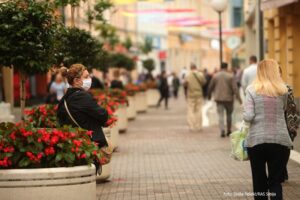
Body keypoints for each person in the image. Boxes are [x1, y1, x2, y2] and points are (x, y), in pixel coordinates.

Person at [243, 59, 293, 200]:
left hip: (257, 142)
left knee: (259, 183)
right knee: (275, 182)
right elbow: (283, 110)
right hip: (280, 141)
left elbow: (249, 116)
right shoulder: (283, 90)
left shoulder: (251, 90)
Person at [57, 64, 108, 148]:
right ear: (76, 80)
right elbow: (102, 114)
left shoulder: (65, 98)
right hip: (90, 143)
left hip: (75, 143)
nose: (90, 79)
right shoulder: (81, 96)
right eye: (86, 77)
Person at [208, 62, 242, 137]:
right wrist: (239, 99)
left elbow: (210, 86)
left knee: (220, 115)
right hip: (229, 99)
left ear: (220, 67)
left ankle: (222, 130)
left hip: (219, 99)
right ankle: (229, 130)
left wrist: (209, 95)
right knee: (229, 115)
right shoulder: (230, 76)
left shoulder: (215, 76)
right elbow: (235, 89)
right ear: (227, 67)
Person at [185, 64, 206, 131]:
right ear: (196, 68)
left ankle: (191, 126)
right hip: (199, 94)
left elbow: (185, 84)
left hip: (190, 95)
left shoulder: (187, 75)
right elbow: (204, 82)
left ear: (190, 68)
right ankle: (198, 126)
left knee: (190, 110)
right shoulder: (200, 75)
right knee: (198, 110)